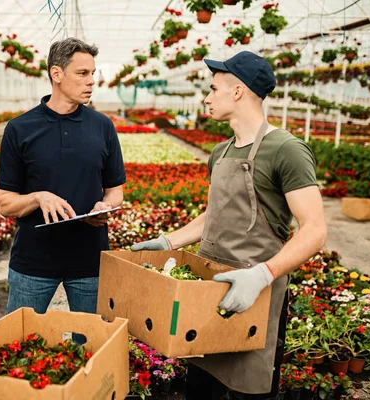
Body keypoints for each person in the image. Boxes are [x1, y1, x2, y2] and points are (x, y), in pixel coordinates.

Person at [131, 51, 327, 399]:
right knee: (202, 387)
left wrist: (262, 274)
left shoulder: (286, 150)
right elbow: (215, 214)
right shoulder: (220, 152)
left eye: (213, 89)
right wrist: (168, 242)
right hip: (209, 292)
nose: (207, 98)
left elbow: (314, 229)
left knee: (247, 389)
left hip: (256, 295)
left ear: (237, 91)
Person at [0, 38, 126, 333]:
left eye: (93, 73)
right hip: (33, 263)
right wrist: (38, 197)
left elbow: (115, 190)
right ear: (57, 74)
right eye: (82, 74)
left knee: (92, 347)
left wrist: (106, 206)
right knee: (19, 341)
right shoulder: (20, 129)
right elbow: (4, 203)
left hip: (91, 263)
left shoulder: (102, 126)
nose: (92, 81)